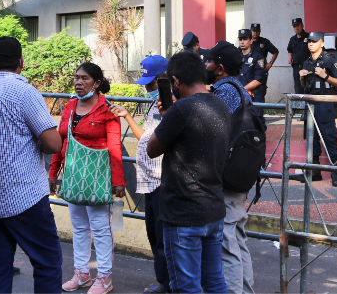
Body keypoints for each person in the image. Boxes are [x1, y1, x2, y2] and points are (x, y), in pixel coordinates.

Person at [0, 36, 64, 294]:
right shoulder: (25, 92)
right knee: (47, 261)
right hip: (24, 195)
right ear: (22, 62)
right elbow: (53, 144)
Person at [146, 52, 230, 294]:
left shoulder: (181, 109)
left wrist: (168, 116)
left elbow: (152, 149)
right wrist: (170, 117)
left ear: (175, 80)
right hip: (213, 208)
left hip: (183, 213)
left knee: (186, 287)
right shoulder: (221, 104)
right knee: (214, 282)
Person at [49, 62, 126, 294]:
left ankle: (104, 277)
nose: (78, 82)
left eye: (85, 78)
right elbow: (60, 141)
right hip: (73, 176)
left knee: (101, 228)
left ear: (97, 83)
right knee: (79, 227)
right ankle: (82, 274)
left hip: (97, 177)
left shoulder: (107, 110)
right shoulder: (69, 106)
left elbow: (115, 146)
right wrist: (53, 173)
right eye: (76, 78)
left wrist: (118, 181)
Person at [109, 54, 171, 294]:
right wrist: (126, 116)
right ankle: (163, 281)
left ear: (164, 79)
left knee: (163, 238)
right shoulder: (156, 104)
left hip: (163, 180)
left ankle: (169, 284)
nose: (148, 88)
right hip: (150, 180)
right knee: (154, 235)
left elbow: (155, 141)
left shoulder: (170, 105)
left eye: (152, 83)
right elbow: (146, 138)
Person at [205, 41, 256, 294]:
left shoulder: (224, 92)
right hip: (239, 173)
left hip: (225, 175)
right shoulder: (240, 89)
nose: (205, 65)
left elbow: (211, 131)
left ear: (220, 68)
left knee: (227, 244)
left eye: (209, 61)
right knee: (238, 239)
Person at [300, 32, 337, 187]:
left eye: (314, 41)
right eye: (309, 41)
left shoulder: (329, 60)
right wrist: (301, 78)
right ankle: (315, 172)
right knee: (311, 138)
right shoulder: (306, 62)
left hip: (325, 103)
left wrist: (325, 76)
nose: (311, 44)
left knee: (329, 136)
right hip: (310, 103)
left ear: (322, 43)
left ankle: (335, 173)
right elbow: (306, 87)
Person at [249, 24, 278, 101]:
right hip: (249, 71)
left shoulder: (265, 42)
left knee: (261, 92)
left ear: (260, 32)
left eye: (257, 31)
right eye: (253, 31)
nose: (255, 33)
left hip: (261, 71)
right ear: (251, 31)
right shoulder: (247, 41)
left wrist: (271, 63)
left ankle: (260, 107)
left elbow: (275, 51)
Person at [236, 29, 267, 102]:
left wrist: (241, 90)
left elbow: (258, 80)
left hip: (254, 97)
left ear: (251, 41)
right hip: (238, 97)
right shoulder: (235, 56)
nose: (242, 42)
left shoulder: (258, 57)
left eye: (245, 39)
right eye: (240, 39)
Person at [286, 18, 309, 97]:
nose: (296, 28)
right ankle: (300, 105)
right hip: (297, 68)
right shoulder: (292, 39)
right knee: (298, 90)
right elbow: (289, 50)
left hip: (308, 67)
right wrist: (290, 58)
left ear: (302, 25)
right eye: (294, 26)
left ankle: (310, 105)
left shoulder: (309, 37)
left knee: (309, 88)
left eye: (298, 25)